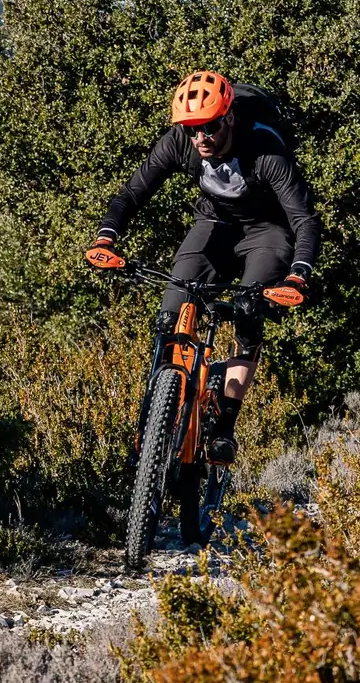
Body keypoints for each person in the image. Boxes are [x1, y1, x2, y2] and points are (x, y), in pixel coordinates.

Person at [83, 70, 320, 463]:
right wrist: (105, 237)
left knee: (248, 314)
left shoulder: (264, 148)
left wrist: (298, 274)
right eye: (192, 128)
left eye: (208, 126)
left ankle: (225, 426)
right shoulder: (180, 142)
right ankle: (156, 419)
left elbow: (304, 220)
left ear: (227, 117)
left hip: (268, 229)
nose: (200, 137)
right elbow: (131, 194)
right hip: (214, 224)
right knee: (171, 311)